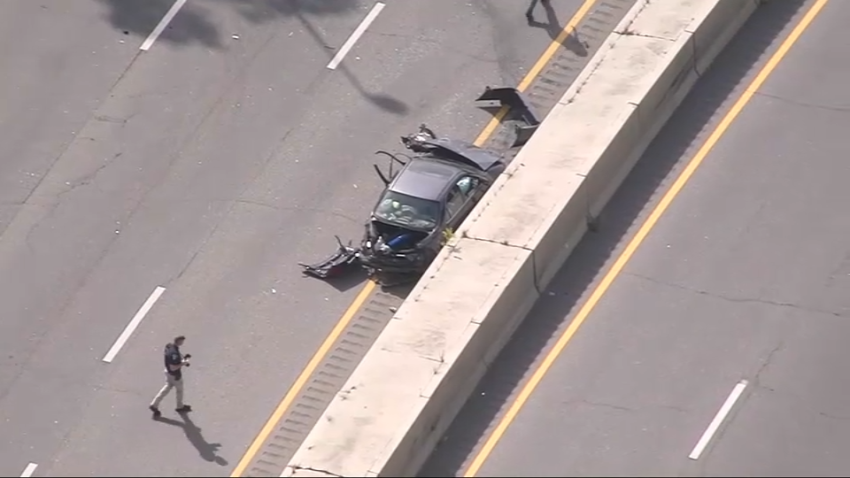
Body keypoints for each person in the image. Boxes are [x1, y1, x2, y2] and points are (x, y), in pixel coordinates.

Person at [149, 335, 192, 417]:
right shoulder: (174, 353)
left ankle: (154, 404)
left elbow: (171, 359)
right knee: (179, 390)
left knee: (166, 388)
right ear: (179, 341)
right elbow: (173, 367)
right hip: (174, 375)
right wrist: (183, 363)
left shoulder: (169, 347)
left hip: (167, 372)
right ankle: (180, 406)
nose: (183, 343)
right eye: (182, 341)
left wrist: (183, 359)